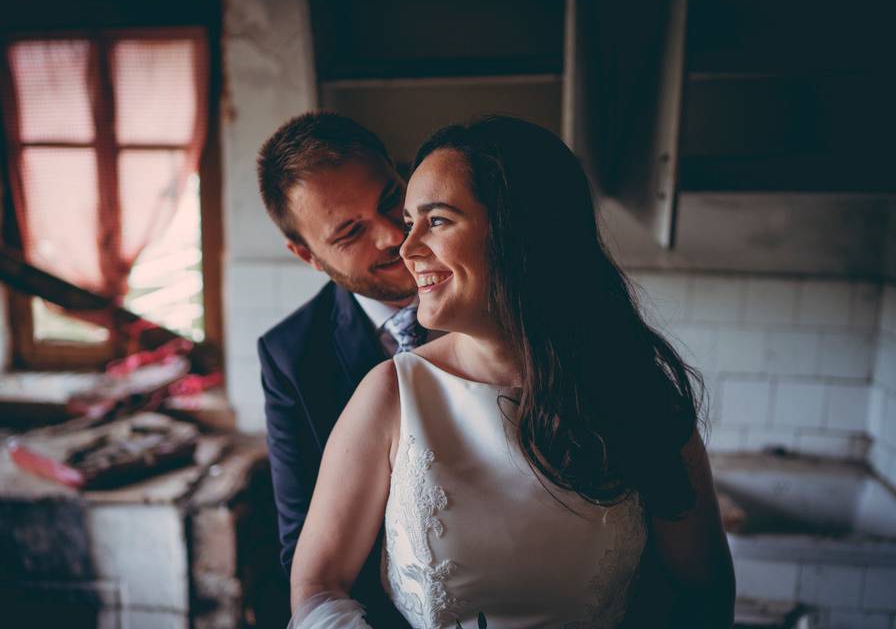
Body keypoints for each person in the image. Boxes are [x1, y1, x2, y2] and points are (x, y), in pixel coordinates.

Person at [287, 116, 736, 628]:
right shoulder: (392, 393)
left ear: (519, 230)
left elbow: (702, 597)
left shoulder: (641, 397)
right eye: (410, 220)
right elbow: (318, 585)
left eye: (435, 221)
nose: (406, 249)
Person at [257, 112, 423, 627]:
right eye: (351, 231)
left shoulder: (501, 293)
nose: (394, 235)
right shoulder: (290, 357)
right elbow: (303, 548)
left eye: (391, 196)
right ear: (307, 255)